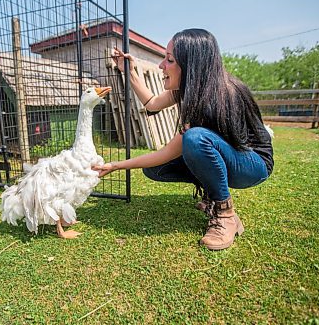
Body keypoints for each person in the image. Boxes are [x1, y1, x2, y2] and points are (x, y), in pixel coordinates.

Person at [93, 29, 274, 251]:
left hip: (253, 165)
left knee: (196, 139)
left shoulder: (224, 93)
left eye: (169, 60)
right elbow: (151, 104)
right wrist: (128, 70)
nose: (161, 66)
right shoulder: (189, 90)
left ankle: (226, 215)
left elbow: (171, 150)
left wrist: (116, 165)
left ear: (191, 65)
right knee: (156, 168)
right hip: (226, 157)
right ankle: (212, 194)